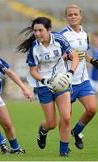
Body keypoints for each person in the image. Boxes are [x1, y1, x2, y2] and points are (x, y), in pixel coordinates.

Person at [17, 17, 79, 157]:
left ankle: (63, 152)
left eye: (40, 30)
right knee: (51, 123)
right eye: (35, 31)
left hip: (62, 81)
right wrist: (45, 81)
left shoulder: (59, 39)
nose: (37, 34)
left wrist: (69, 74)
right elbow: (33, 71)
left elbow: (74, 56)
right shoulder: (34, 47)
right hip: (43, 85)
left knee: (66, 118)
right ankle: (43, 130)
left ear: (49, 30)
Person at [60, 4, 98, 150]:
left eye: (75, 14)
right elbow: (57, 57)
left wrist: (92, 60)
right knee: (66, 117)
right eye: (70, 15)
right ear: (66, 17)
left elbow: (83, 53)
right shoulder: (62, 35)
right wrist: (64, 57)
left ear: (80, 16)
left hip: (83, 79)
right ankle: (64, 149)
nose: (73, 17)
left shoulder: (84, 34)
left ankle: (76, 132)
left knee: (92, 109)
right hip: (67, 81)